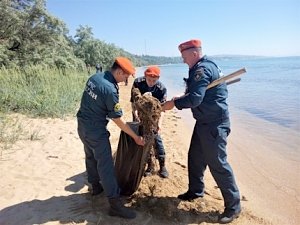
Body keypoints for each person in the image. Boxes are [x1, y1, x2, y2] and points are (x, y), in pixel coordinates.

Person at [162, 39, 241, 224]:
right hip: (204, 122)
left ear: (194, 53)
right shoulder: (206, 65)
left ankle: (233, 206)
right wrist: (182, 97)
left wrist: (174, 104)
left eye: (184, 56)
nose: (183, 60)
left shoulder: (201, 70)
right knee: (195, 158)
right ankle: (196, 191)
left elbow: (196, 99)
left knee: (218, 164)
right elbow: (199, 93)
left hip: (214, 124)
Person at [77, 57, 144, 219]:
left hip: (82, 125)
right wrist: (135, 136)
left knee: (90, 156)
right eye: (126, 76)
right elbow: (117, 119)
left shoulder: (95, 78)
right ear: (119, 71)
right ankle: (115, 205)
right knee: (106, 166)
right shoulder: (110, 89)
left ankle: (95, 187)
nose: (126, 80)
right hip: (96, 131)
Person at [130, 66, 169, 178]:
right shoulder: (138, 83)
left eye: (154, 80)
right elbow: (134, 102)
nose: (151, 83)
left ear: (158, 78)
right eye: (149, 80)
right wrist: (135, 113)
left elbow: (162, 110)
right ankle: (148, 165)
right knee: (142, 139)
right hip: (139, 114)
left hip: (154, 117)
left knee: (157, 139)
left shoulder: (161, 89)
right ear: (145, 76)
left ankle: (162, 166)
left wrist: (159, 125)